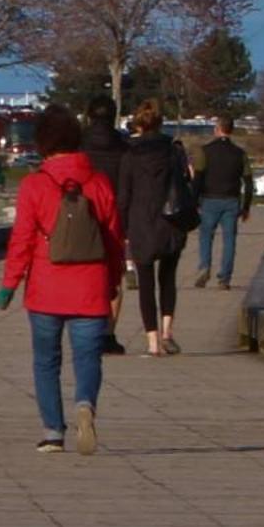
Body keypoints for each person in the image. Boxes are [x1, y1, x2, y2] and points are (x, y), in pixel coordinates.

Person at [0, 104, 124, 455]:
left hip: (46, 289)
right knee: (88, 356)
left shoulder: (35, 186)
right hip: (90, 286)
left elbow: (22, 240)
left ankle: (53, 431)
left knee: (46, 360)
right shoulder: (99, 184)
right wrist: (112, 281)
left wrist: (9, 285)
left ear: (42, 144)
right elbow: (114, 239)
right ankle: (85, 403)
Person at [115, 100, 190, 357]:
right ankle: (168, 329)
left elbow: (123, 197)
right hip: (171, 221)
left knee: (145, 284)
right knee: (168, 278)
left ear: (138, 124)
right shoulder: (172, 151)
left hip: (141, 223)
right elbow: (185, 183)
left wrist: (122, 229)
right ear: (160, 123)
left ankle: (152, 341)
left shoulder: (130, 155)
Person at [80, 95, 131, 355]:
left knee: (79, 274)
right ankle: (108, 333)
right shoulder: (124, 148)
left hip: (79, 217)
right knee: (114, 277)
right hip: (114, 218)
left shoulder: (79, 145)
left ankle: (83, 329)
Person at [192, 115, 254, 290]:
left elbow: (198, 179)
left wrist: (194, 201)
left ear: (217, 129)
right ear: (231, 130)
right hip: (231, 201)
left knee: (205, 236)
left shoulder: (205, 151)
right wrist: (246, 206)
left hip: (209, 199)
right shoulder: (240, 154)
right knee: (229, 240)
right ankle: (224, 278)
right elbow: (249, 181)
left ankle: (204, 266)